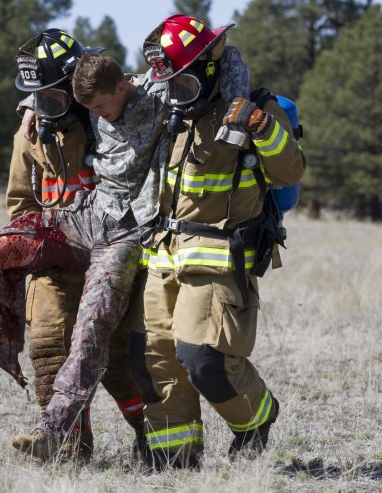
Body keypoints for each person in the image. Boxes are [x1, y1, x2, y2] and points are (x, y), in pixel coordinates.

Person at [0, 48, 173, 462]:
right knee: (48, 346)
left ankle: (152, 436)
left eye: (53, 97)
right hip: (56, 257)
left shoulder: (102, 116)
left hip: (113, 248)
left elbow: (130, 83)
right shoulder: (29, 134)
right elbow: (20, 206)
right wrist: (31, 108)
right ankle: (68, 449)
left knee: (118, 357)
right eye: (38, 98)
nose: (46, 107)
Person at [134, 14, 307, 469]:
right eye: (170, 84)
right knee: (155, 359)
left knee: (203, 358)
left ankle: (256, 419)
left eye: (185, 85)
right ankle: (176, 457)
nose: (176, 95)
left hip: (219, 262)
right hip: (163, 259)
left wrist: (260, 127)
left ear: (209, 68)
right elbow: (104, 95)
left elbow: (290, 170)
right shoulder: (168, 109)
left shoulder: (253, 108)